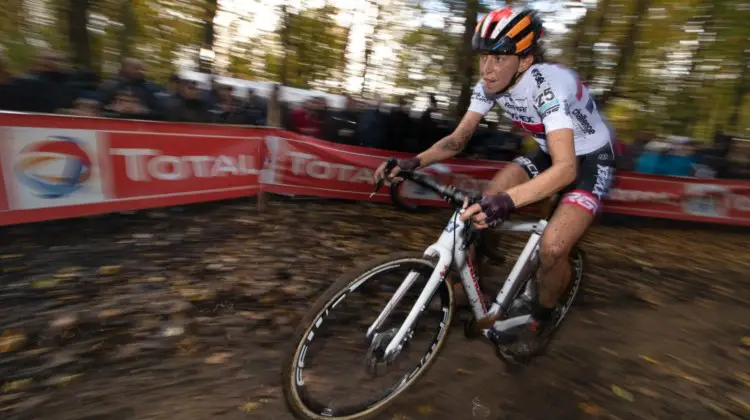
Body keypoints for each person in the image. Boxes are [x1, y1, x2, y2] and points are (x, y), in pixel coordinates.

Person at [373, 7, 617, 349]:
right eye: (484, 56)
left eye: (500, 57)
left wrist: (508, 202)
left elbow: (566, 170)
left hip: (589, 159)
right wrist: (414, 162)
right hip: (551, 148)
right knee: (482, 200)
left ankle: (541, 316)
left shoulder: (549, 87)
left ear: (525, 59)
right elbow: (457, 140)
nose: (487, 68)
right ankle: (469, 285)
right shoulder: (490, 84)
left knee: (553, 247)